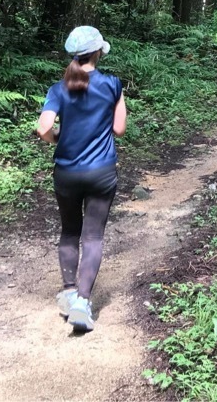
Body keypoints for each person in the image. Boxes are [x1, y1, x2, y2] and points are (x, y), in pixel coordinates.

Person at [35, 26, 126, 333]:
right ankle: (82, 303)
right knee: (94, 237)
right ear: (98, 51)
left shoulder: (59, 88)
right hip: (101, 172)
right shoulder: (112, 84)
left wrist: (58, 138)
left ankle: (69, 289)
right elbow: (119, 128)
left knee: (70, 231)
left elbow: (43, 128)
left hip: (66, 173)